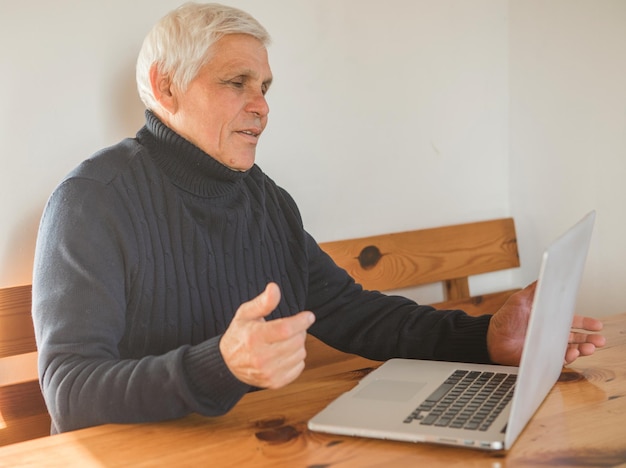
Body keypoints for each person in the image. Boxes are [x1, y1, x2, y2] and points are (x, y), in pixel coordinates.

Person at [32, 2, 605, 435]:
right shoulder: (90, 201)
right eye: (237, 83)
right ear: (165, 85)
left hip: (252, 444)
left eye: (264, 87)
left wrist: (484, 338)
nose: (262, 105)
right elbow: (70, 391)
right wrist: (220, 365)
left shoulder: (268, 203)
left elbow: (354, 314)